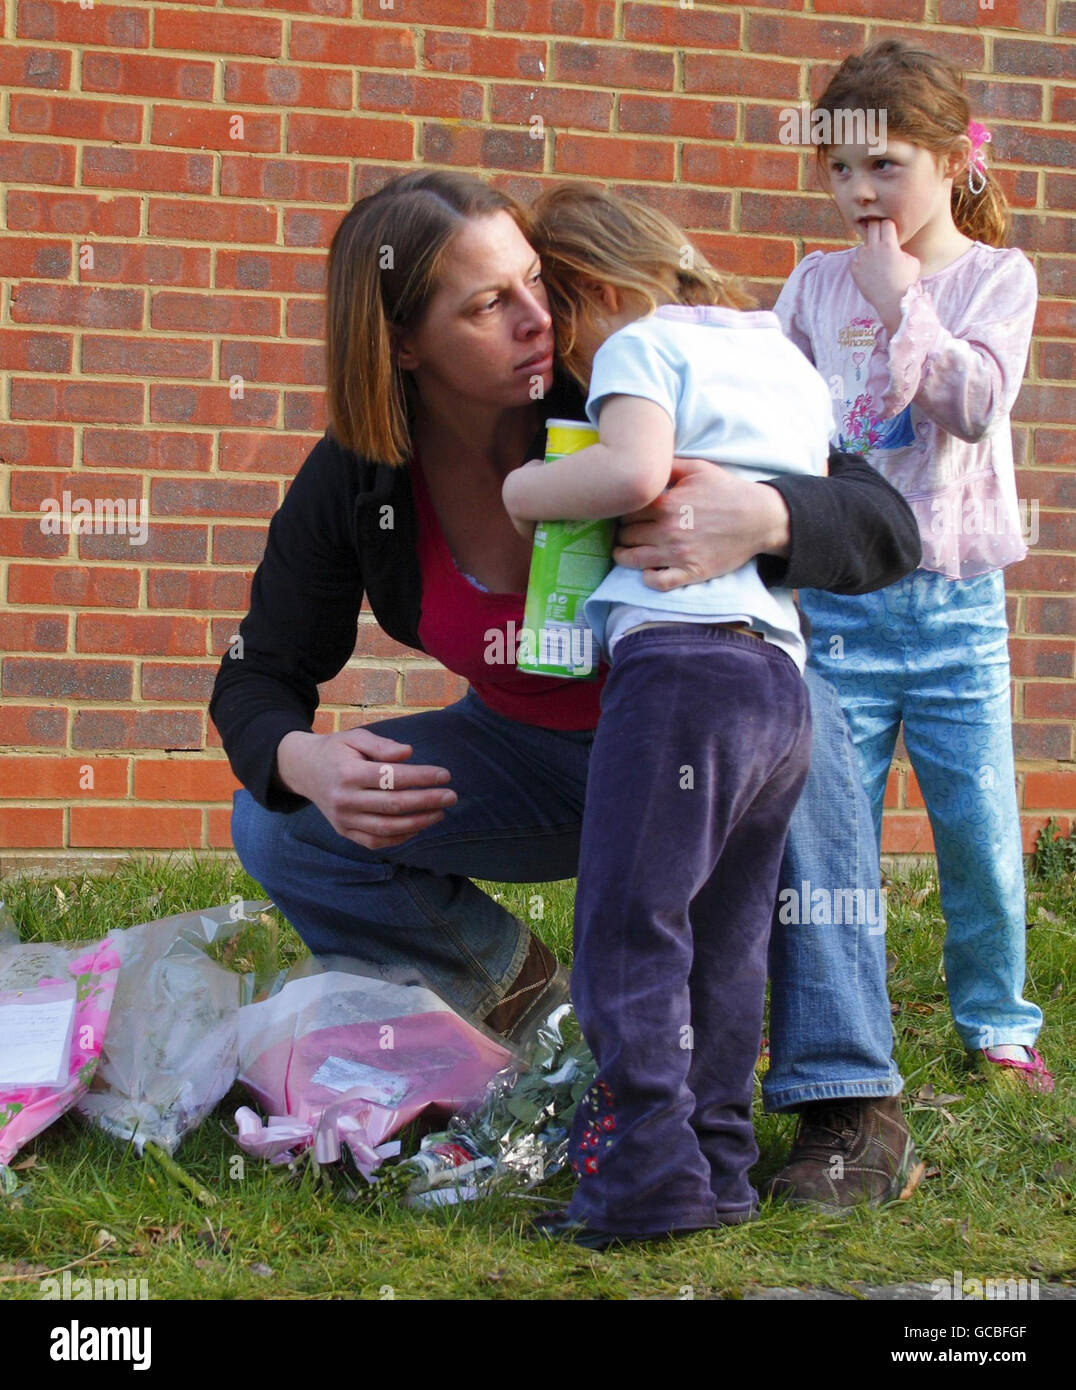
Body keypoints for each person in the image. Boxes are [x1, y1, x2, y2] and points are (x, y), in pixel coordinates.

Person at [209, 170, 922, 1222]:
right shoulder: (361, 474)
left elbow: (883, 527)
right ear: (402, 343)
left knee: (796, 714)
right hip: (533, 754)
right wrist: (300, 758)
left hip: (701, 743)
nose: (536, 317)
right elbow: (259, 674)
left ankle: (845, 1101)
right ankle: (542, 1016)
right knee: (280, 826)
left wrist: (763, 515)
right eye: (486, 303)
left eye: (533, 281)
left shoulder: (618, 385)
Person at [497, 184, 830, 1246]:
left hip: (677, 670)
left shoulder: (642, 342)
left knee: (631, 923)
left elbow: (632, 467)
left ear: (593, 287)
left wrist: (526, 492)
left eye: (563, 335)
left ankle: (642, 1173)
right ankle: (716, 1163)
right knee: (725, 937)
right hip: (777, 678)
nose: (569, 370)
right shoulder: (782, 352)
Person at [774, 39, 1052, 1094]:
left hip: (951, 610)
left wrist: (902, 302)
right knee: (821, 835)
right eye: (839, 168)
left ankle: (994, 1025)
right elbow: (777, 415)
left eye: (883, 165)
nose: (857, 190)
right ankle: (829, 1025)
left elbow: (972, 405)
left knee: (976, 832)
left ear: (948, 162)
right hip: (839, 609)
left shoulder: (993, 280)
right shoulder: (808, 285)